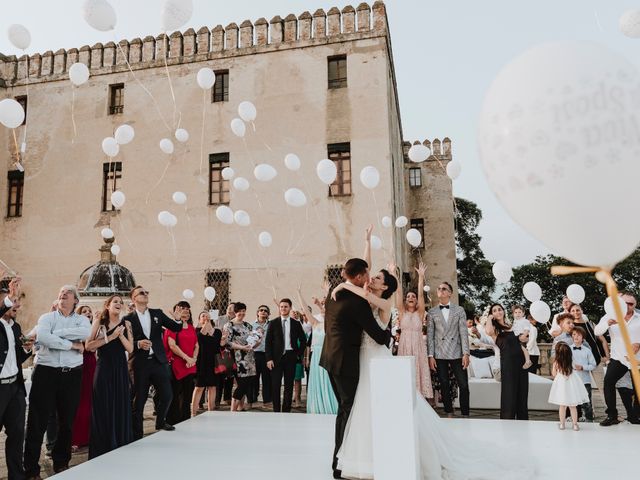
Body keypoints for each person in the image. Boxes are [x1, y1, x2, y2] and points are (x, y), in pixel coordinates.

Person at [331, 260, 529, 480]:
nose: (372, 279)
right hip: (365, 358)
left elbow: (365, 294)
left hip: (377, 357)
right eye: (373, 276)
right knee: (367, 408)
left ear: (385, 287)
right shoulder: (370, 301)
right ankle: (369, 457)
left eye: (377, 278)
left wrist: (342, 285)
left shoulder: (383, 303)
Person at [321, 257, 392, 479]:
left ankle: (339, 460)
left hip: (329, 358)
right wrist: (389, 332)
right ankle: (341, 464)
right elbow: (379, 337)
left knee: (344, 411)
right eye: (367, 275)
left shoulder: (335, 292)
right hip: (346, 362)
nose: (370, 278)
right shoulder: (357, 302)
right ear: (360, 277)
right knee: (349, 411)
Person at [24, 285, 91, 477]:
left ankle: (61, 462)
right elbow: (44, 338)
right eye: (61, 293)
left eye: (68, 293)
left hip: (71, 375)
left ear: (75, 301)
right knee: (37, 422)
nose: (63, 294)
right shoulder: (46, 318)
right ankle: (30, 468)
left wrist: (57, 334)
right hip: (46, 373)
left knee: (67, 422)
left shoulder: (82, 320)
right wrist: (71, 344)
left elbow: (85, 335)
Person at [124, 285, 183, 439]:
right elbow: (124, 340)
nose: (145, 294)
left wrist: (177, 319)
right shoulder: (128, 319)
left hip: (158, 361)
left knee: (167, 395)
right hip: (139, 364)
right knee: (139, 400)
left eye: (146, 292)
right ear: (134, 298)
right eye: (141, 293)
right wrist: (138, 344)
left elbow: (175, 328)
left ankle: (160, 421)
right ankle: (137, 433)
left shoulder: (157, 313)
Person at [85, 295, 133, 458]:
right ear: (107, 305)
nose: (119, 304)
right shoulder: (99, 322)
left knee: (120, 404)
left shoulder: (127, 324)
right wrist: (110, 337)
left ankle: (120, 443)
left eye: (121, 302)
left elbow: (131, 348)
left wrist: (120, 336)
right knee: (103, 405)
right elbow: (89, 346)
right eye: (115, 302)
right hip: (104, 367)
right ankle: (103, 446)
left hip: (120, 368)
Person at [0, 278, 33, 479]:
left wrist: (27, 351)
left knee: (16, 435)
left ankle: (16, 476)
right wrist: (10, 297)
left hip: (15, 387)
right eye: (11, 299)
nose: (16, 304)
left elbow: (16, 358)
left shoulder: (16, 326)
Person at [595, 291, 640, 426]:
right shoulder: (610, 316)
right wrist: (607, 323)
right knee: (608, 382)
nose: (627, 306)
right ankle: (612, 415)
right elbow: (597, 331)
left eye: (630, 304)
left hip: (637, 360)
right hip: (618, 358)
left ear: (635, 304)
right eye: (624, 303)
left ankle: (636, 415)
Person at [426, 281, 470, 418]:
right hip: (439, 353)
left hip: (457, 352)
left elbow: (463, 332)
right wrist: (430, 355)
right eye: (439, 289)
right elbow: (430, 335)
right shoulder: (432, 312)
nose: (441, 290)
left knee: (463, 384)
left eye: (444, 289)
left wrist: (466, 353)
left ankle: (465, 413)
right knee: (444, 383)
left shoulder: (459, 310)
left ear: (450, 293)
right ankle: (449, 412)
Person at [484, 303, 530, 420]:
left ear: (503, 311)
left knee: (522, 393)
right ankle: (507, 422)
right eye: (494, 311)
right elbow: (488, 331)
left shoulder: (512, 325)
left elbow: (522, 340)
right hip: (508, 363)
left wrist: (525, 338)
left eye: (500, 309)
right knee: (509, 394)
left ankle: (522, 422)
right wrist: (490, 317)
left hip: (521, 362)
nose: (498, 312)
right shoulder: (495, 328)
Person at [395, 259, 432, 401]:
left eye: (413, 296)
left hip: (417, 346)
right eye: (408, 296)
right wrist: (395, 275)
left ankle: (420, 398)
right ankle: (404, 397)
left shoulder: (420, 313)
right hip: (404, 345)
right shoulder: (402, 312)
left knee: (418, 369)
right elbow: (398, 293)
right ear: (406, 300)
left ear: (416, 301)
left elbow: (422, 294)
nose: (411, 297)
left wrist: (421, 277)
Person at [298, 285, 337, 415]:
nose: (324, 309)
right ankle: (318, 408)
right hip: (317, 357)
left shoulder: (334, 323)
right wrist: (299, 294)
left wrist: (328, 292)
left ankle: (331, 407)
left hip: (329, 355)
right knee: (317, 383)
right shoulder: (315, 323)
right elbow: (305, 310)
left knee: (329, 383)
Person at [265, 298, 307, 413]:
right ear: (279, 308)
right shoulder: (273, 323)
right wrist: (269, 359)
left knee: (289, 386)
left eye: (286, 306)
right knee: (275, 385)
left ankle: (287, 410)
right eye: (281, 306)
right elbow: (268, 342)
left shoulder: (296, 324)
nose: (283, 308)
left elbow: (303, 340)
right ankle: (276, 410)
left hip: (290, 357)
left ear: (290, 307)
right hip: (276, 358)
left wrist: (298, 354)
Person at [222, 302, 260, 411]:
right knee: (242, 384)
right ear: (235, 312)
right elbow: (227, 342)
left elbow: (252, 340)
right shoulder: (229, 325)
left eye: (244, 311)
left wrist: (257, 342)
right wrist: (242, 347)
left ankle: (240, 408)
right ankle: (233, 410)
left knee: (248, 383)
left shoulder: (248, 325)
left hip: (249, 358)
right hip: (237, 358)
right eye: (239, 311)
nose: (242, 313)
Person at [165, 301, 198, 425]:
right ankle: (173, 421)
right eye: (182, 308)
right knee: (175, 395)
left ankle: (185, 420)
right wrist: (186, 358)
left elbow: (197, 345)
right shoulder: (172, 326)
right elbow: (172, 345)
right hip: (177, 365)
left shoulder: (191, 328)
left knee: (187, 396)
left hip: (190, 366)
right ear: (176, 312)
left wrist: (193, 358)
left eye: (188, 309)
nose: (186, 311)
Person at [548, 342, 590, 431]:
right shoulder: (571, 361)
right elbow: (575, 368)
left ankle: (562, 424)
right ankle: (575, 425)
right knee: (573, 406)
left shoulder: (556, 363)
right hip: (572, 384)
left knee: (562, 406)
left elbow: (554, 374)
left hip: (561, 385)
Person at [71, 305, 96, 450]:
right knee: (80, 401)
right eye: (84, 312)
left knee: (91, 399)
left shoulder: (95, 328)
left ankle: (90, 435)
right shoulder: (78, 329)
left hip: (92, 363)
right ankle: (76, 437)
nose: (88, 313)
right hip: (79, 363)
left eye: (89, 312)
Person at [192, 311, 221, 416]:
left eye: (207, 315)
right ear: (199, 319)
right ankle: (193, 412)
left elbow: (217, 343)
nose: (205, 317)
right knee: (199, 387)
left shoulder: (217, 331)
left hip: (213, 362)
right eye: (202, 316)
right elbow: (200, 337)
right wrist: (205, 324)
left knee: (212, 387)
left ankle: (210, 411)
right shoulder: (196, 331)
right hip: (201, 361)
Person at [570, 326, 596, 422]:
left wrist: (583, 367)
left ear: (583, 337)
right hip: (572, 379)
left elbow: (593, 365)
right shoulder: (568, 350)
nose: (576, 337)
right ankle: (574, 419)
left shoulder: (587, 351)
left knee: (587, 401)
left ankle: (589, 419)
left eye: (578, 335)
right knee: (573, 401)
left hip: (585, 380)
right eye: (574, 334)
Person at [249, 305, 271, 407]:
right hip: (255, 354)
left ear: (268, 314)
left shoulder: (271, 325)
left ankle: (267, 400)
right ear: (257, 312)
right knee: (254, 378)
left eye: (265, 311)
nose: (263, 312)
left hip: (267, 355)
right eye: (261, 310)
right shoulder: (251, 326)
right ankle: (253, 399)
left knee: (267, 378)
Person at [215, 303, 236, 407]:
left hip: (232, 349)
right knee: (219, 373)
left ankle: (227, 397)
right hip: (221, 349)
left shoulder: (237, 320)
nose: (229, 309)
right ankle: (217, 400)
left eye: (231, 308)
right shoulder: (219, 319)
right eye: (228, 307)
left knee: (230, 374)